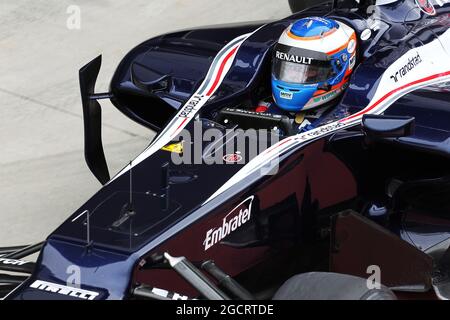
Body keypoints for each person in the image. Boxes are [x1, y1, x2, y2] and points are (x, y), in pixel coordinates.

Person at [256, 16, 357, 133]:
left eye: (310, 71)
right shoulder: (263, 107)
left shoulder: (344, 121)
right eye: (288, 68)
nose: (293, 76)